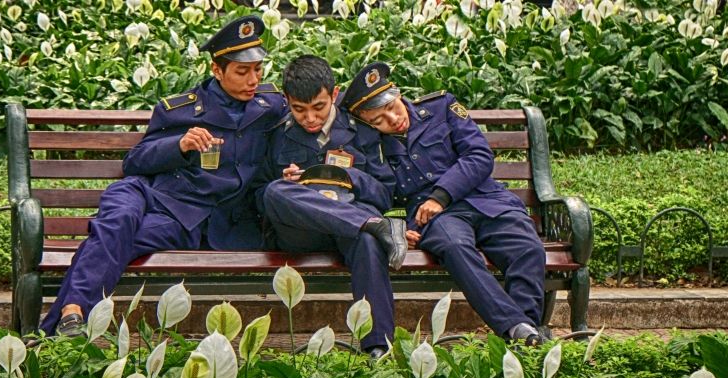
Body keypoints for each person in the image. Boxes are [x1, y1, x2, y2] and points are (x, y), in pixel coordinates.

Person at [40, 15, 286, 336]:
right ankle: (68, 318)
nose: (253, 79)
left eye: (257, 70)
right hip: (159, 201)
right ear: (216, 70)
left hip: (202, 222)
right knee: (115, 226)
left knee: (109, 241)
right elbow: (135, 161)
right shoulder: (181, 109)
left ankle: (57, 325)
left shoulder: (270, 106)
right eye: (242, 72)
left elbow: (316, 112)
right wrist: (180, 145)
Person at [343, 62, 549, 345]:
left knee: (527, 247)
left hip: (486, 200)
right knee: (455, 248)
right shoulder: (373, 147)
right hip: (438, 220)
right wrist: (399, 227)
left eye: (392, 106)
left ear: (397, 93)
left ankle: (525, 334)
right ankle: (520, 330)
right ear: (367, 122)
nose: (392, 119)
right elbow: (375, 193)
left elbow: (478, 156)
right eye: (378, 120)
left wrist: (440, 196)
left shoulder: (440, 108)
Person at [259, 55, 405, 358]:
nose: (310, 118)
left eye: (318, 107)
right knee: (275, 191)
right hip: (300, 232)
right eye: (299, 110)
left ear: (334, 95)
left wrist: (349, 177)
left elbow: (383, 193)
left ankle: (378, 346)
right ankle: (370, 225)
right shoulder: (276, 133)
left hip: (349, 230)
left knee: (367, 240)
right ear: (286, 101)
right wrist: (285, 181)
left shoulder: (361, 131)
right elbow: (259, 194)